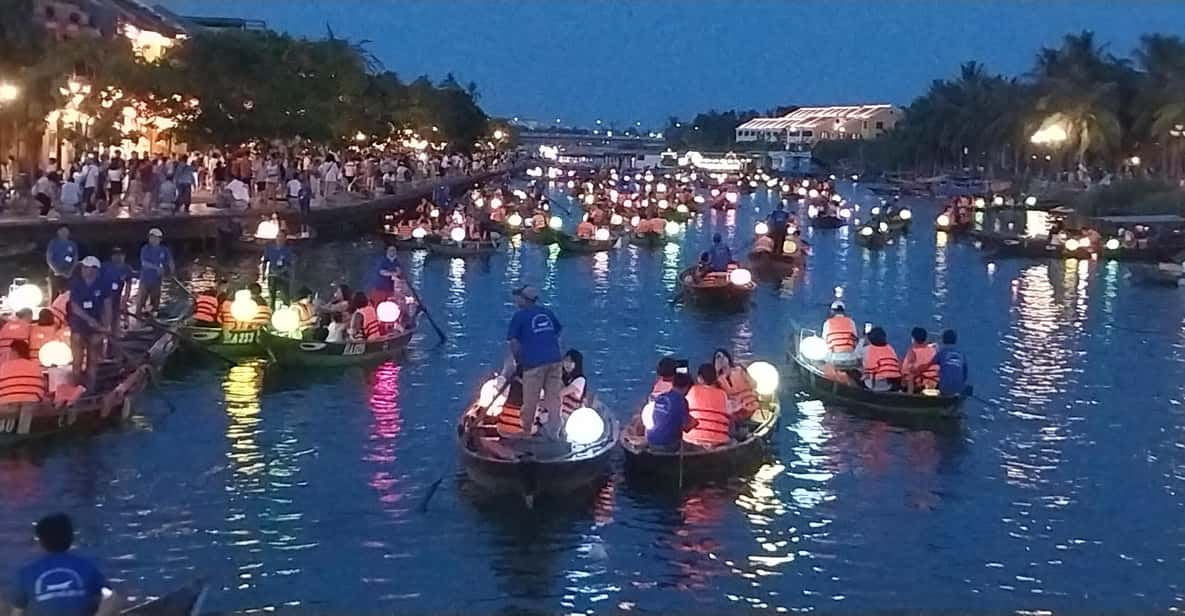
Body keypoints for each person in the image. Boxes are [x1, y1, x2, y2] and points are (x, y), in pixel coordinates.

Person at [9, 513, 120, 616]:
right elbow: (110, 597)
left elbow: (16, 611)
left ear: (40, 542)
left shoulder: (26, 573)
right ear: (71, 539)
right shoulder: (86, 565)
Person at [504, 285, 563, 440]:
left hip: (534, 364)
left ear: (523, 299)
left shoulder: (519, 316)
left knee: (530, 399)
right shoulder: (547, 313)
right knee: (553, 398)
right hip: (555, 360)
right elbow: (556, 332)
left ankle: (525, 432)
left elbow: (514, 343)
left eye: (517, 297)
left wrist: (519, 362)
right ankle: (555, 433)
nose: (515, 300)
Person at [68, 257, 111, 390]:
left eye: (88, 268)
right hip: (79, 325)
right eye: (84, 267)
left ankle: (90, 390)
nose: (85, 270)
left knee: (93, 362)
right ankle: (74, 391)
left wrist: (106, 326)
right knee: (77, 361)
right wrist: (89, 320)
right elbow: (75, 306)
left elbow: (107, 306)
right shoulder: (76, 283)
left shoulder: (103, 285)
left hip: (96, 326)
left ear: (95, 270)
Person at [683, 363, 731, 447]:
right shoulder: (723, 394)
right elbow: (730, 414)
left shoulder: (693, 390)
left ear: (700, 378)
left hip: (692, 438)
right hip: (718, 439)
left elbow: (683, 409)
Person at [644, 372, 695, 451]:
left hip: (651, 440)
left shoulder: (661, 397)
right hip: (669, 445)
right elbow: (686, 427)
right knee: (695, 447)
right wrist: (695, 423)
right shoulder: (682, 401)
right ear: (686, 388)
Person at [136, 229, 173, 316]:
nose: (153, 240)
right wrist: (156, 268)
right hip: (145, 280)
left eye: (155, 238)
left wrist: (171, 271)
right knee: (141, 300)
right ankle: (138, 317)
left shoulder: (164, 250)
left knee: (155, 300)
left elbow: (170, 261)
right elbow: (144, 263)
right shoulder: (145, 249)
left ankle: (154, 317)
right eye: (151, 237)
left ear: (160, 239)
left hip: (157, 280)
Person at [714, 348, 759, 420]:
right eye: (718, 358)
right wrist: (716, 372)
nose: (721, 360)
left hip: (750, 404)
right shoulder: (717, 380)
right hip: (734, 410)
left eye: (723, 357)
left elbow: (754, 384)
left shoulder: (739, 370)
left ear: (728, 358)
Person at [99, 248, 134, 338]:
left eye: (120, 255)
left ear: (124, 256)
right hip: (105, 295)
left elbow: (128, 284)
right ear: (111, 256)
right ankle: (105, 333)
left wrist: (125, 298)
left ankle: (115, 332)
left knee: (117, 313)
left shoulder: (127, 268)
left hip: (117, 295)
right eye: (115, 255)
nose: (118, 257)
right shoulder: (105, 266)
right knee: (106, 314)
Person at [0, 339, 45, 405]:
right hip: (32, 403)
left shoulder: (4, 367)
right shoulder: (36, 366)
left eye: (10, 351)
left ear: (15, 352)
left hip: (7, 403)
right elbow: (42, 387)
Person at [861, 326, 902, 392]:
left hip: (875, 386)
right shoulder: (890, 348)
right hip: (890, 384)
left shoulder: (869, 349)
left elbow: (868, 371)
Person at [901, 327, 939, 392]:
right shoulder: (933, 350)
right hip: (936, 383)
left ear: (913, 339)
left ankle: (910, 395)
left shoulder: (912, 352)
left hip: (921, 385)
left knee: (905, 379)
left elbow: (904, 371)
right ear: (926, 338)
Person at [262, 234, 295, 309]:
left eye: (282, 237)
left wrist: (282, 272)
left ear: (285, 239)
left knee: (286, 295)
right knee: (272, 296)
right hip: (272, 275)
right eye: (278, 237)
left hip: (284, 275)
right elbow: (265, 262)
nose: (279, 239)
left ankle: (287, 310)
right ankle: (272, 310)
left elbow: (291, 264)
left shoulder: (288, 250)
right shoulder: (270, 249)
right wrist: (263, 274)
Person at [46, 226, 78, 299]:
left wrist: (70, 271)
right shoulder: (53, 243)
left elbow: (75, 258)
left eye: (66, 231)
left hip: (68, 272)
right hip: (55, 271)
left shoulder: (72, 244)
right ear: (58, 232)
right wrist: (57, 270)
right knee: (54, 295)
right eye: (62, 231)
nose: (64, 233)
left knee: (67, 294)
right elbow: (49, 258)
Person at [934, 329, 968, 397]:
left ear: (943, 340)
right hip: (959, 388)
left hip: (943, 388)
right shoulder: (961, 354)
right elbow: (965, 375)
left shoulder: (941, 353)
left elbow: (930, 366)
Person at [558, 349, 587, 420]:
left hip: (570, 417)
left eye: (571, 361)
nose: (567, 363)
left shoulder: (580, 380)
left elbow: (560, 393)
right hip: (558, 414)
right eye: (566, 360)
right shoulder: (562, 377)